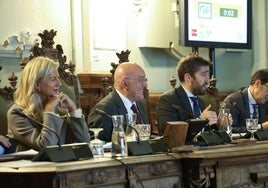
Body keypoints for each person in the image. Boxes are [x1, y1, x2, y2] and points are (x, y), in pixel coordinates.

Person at [7, 56, 90, 152]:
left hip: (63, 164)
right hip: (32, 166)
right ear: (37, 84)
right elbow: (47, 147)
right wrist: (49, 110)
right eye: (53, 79)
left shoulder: (59, 108)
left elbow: (84, 143)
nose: (59, 84)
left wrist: (73, 110)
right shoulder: (17, 113)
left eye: (58, 78)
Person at [156, 54, 219, 136]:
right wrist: (200, 121)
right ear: (188, 77)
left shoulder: (200, 101)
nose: (207, 80)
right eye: (204, 75)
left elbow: (204, 132)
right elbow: (169, 134)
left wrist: (219, 125)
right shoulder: (168, 100)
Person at [88, 62, 149, 142]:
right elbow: (97, 143)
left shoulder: (138, 104)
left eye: (145, 80)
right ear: (125, 83)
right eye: (141, 80)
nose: (145, 85)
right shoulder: (104, 109)